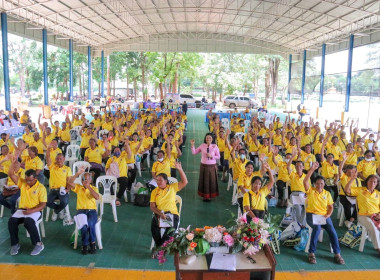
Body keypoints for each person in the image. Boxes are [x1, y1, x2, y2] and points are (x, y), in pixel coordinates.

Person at [303, 162, 345, 265]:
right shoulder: (311, 191)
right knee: (317, 228)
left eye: (321, 183)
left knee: (332, 231)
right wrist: (312, 169)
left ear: (324, 184)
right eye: (317, 183)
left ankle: (337, 254)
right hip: (311, 215)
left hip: (324, 216)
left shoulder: (327, 193)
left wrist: (329, 214)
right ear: (314, 184)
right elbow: (305, 181)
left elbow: (330, 207)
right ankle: (311, 253)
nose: (319, 185)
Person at [7, 163, 47, 256]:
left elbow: (43, 205)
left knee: (28, 221)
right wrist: (12, 164)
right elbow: (10, 174)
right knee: (11, 221)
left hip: (35, 210)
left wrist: (31, 211)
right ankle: (15, 244)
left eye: (30, 180)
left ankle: (38, 244)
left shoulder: (41, 188)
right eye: (26, 180)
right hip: (22, 210)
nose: (27, 182)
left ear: (35, 178)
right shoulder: (23, 183)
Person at [150, 162, 188, 252]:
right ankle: (160, 248)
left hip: (172, 214)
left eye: (160, 180)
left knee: (170, 231)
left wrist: (180, 169)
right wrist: (160, 213)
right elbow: (152, 206)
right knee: (154, 229)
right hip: (160, 213)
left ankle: (158, 248)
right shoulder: (154, 191)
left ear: (166, 181)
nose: (158, 182)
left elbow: (185, 182)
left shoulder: (172, 187)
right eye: (157, 180)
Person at [344, 174, 380, 255]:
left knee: (374, 227)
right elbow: (347, 190)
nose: (372, 183)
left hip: (376, 216)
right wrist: (352, 179)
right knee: (373, 228)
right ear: (367, 182)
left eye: (375, 182)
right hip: (364, 216)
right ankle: (378, 248)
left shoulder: (378, 194)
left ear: (377, 183)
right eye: (371, 181)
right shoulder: (360, 190)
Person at [67, 168, 100, 255]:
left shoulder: (94, 188)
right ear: (81, 181)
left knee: (90, 223)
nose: (85, 181)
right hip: (81, 211)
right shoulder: (78, 188)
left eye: (87, 179)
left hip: (92, 211)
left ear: (90, 180)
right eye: (83, 179)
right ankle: (85, 244)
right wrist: (77, 173)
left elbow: (97, 197)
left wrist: (88, 187)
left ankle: (92, 243)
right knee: (84, 226)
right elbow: (69, 182)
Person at [45, 144, 72, 221]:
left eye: (60, 159)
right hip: (53, 190)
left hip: (62, 190)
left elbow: (69, 180)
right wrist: (48, 150)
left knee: (64, 202)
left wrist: (68, 189)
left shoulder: (67, 169)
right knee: (46, 202)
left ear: (64, 159)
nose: (59, 160)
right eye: (57, 159)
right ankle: (59, 210)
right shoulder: (52, 166)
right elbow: (47, 157)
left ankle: (56, 211)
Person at [191, 133, 220, 201]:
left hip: (212, 167)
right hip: (204, 166)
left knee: (211, 181)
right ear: (205, 139)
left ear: (212, 139)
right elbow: (194, 152)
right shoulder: (202, 146)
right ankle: (204, 196)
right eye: (207, 138)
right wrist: (192, 145)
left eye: (210, 138)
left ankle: (210, 195)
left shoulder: (215, 146)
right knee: (204, 181)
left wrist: (212, 156)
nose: (208, 139)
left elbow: (218, 156)